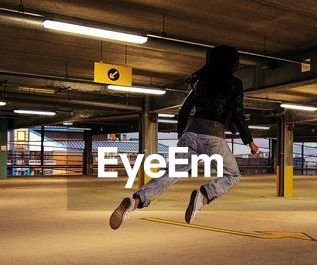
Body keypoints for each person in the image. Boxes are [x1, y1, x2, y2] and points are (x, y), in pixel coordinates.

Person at [110, 45, 259, 229]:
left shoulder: (202, 82)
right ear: (232, 63)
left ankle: (135, 201)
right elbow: (238, 114)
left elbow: (184, 110)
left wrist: (183, 134)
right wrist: (249, 141)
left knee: (169, 173)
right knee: (233, 175)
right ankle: (204, 195)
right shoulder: (235, 84)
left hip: (190, 134)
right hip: (214, 137)